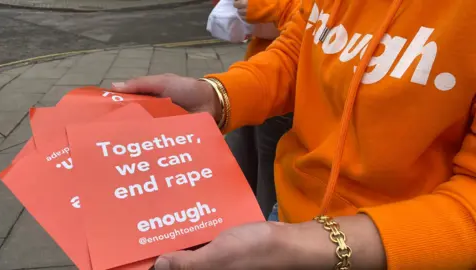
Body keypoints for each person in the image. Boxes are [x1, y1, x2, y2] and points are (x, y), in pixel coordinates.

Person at [112, 0, 476, 269]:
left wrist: (302, 246)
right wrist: (216, 96)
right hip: (284, 220)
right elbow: (299, 50)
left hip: (409, 252)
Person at [224, 0, 298, 218]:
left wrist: (269, 8)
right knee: (237, 165)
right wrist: (217, 93)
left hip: (288, 94)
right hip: (259, 76)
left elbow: (312, 24)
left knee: (270, 176)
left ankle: (262, 234)